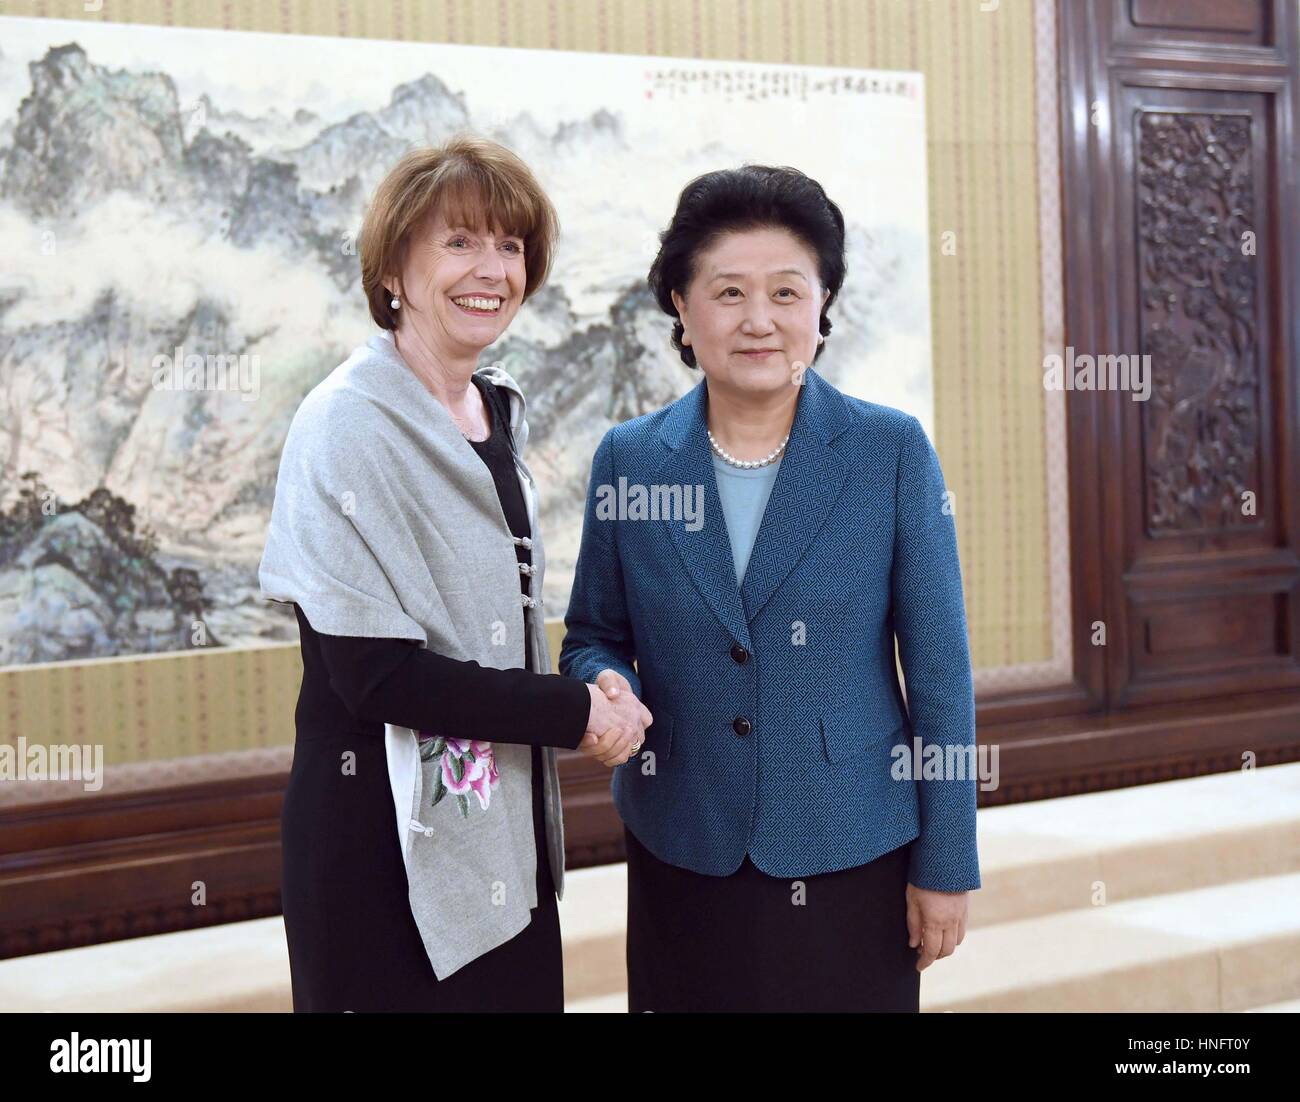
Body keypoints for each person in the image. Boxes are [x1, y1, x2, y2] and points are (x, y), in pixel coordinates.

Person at [560, 164, 979, 1012]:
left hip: (850, 844)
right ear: (681, 305)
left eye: (788, 293)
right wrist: (605, 680)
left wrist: (947, 862)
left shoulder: (889, 452)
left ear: (821, 308)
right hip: (683, 840)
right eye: (728, 293)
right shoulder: (631, 459)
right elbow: (591, 634)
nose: (760, 321)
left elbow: (941, 676)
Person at [258, 137, 650, 1013]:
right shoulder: (345, 423)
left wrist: (595, 686)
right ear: (394, 266)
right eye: (461, 242)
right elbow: (375, 675)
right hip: (377, 847)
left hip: (503, 834)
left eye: (510, 246)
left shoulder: (494, 406)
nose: (493, 269)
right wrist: (576, 711)